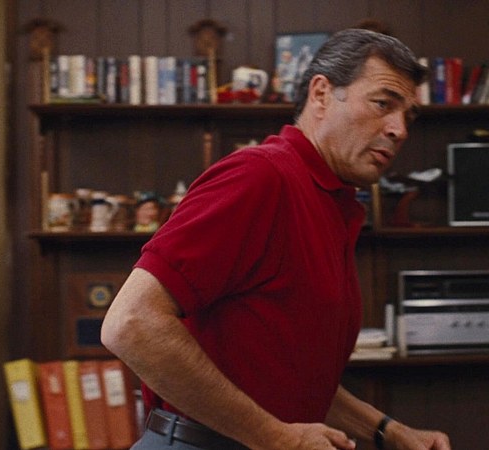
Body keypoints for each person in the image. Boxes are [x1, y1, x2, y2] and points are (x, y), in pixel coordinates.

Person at [101, 28, 451, 450]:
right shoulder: (261, 175)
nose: (399, 130)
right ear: (321, 94)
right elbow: (131, 324)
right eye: (383, 104)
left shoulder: (329, 201)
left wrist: (388, 431)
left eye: (409, 116)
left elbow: (285, 380)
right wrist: (274, 436)